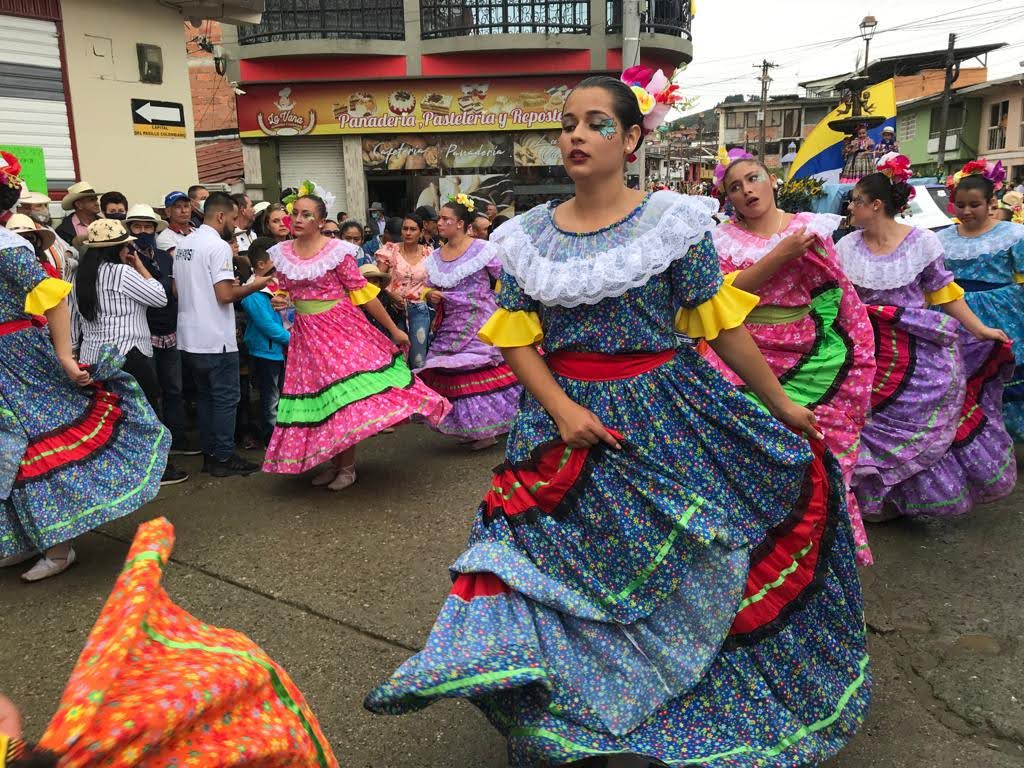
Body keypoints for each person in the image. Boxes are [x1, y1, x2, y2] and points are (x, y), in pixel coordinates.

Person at [366, 72, 869, 766]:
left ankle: (670, 699)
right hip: (558, 431)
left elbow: (716, 323)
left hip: (667, 415)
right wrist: (563, 408)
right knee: (546, 571)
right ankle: (568, 711)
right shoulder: (526, 237)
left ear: (632, 138)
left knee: (686, 565)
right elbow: (514, 335)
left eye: (596, 122)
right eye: (568, 122)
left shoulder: (675, 221)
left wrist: (781, 404)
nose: (575, 134)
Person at [0, 151, 169, 582]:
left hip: (19, 359)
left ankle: (58, 548)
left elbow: (53, 297)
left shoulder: (9, 247)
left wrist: (62, 356)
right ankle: (30, 540)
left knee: (32, 451)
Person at [709, 151, 876, 565]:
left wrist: (856, 346)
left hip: (809, 353)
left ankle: (817, 551)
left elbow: (837, 291)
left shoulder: (809, 228)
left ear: (771, 180)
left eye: (753, 178)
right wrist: (779, 256)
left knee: (816, 449)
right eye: (735, 186)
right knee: (746, 453)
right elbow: (723, 297)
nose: (747, 189)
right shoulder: (721, 239)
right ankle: (758, 558)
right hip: (741, 354)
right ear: (728, 198)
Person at [836, 164, 1015, 519]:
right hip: (865, 347)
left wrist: (980, 330)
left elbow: (944, 292)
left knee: (918, 423)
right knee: (869, 423)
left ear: (876, 205)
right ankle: (877, 500)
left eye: (856, 201)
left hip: (917, 347)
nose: (850, 208)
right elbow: (838, 298)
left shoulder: (921, 242)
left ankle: (910, 499)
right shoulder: (846, 246)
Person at [262, 194, 449, 490]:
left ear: (321, 222)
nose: (298, 219)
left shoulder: (336, 251)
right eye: (295, 213)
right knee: (321, 400)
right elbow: (285, 289)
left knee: (342, 398)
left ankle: (346, 468)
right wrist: (282, 299)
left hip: (338, 330)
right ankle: (333, 461)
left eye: (306, 214)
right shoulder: (283, 252)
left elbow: (363, 293)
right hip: (305, 336)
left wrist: (394, 330)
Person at [69, 218, 189, 486]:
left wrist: (75, 354)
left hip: (94, 354)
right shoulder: (122, 273)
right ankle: (158, 468)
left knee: (107, 416)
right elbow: (159, 297)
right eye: (127, 246)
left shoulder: (80, 275)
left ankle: (116, 469)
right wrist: (141, 267)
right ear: (118, 249)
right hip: (129, 353)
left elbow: (74, 318)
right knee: (144, 412)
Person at [174, 192, 273, 477]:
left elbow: (177, 290)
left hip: (190, 335)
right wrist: (257, 284)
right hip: (215, 336)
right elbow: (225, 294)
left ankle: (212, 454)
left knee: (206, 398)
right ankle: (224, 456)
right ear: (220, 216)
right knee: (226, 399)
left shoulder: (185, 244)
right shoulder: (216, 246)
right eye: (232, 218)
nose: (233, 223)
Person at [416, 196, 521, 450]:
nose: (439, 223)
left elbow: (506, 279)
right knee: (451, 374)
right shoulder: (436, 256)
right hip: (450, 327)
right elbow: (427, 288)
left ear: (461, 223)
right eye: (439, 219)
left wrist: (506, 308)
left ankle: (488, 430)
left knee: (479, 371)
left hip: (481, 324)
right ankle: (473, 428)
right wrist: (429, 294)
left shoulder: (483, 250)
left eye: (445, 219)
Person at [937, 159, 1024, 449]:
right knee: (959, 378)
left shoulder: (1012, 235)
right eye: (960, 205)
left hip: (1002, 312)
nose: (966, 211)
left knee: (1004, 376)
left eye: (974, 204)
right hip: (953, 311)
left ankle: (1006, 441)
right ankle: (970, 443)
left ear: (991, 203)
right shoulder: (942, 239)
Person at [124, 203, 197, 457]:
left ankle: (178, 438)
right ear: (130, 229)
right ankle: (156, 445)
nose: (143, 231)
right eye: (137, 226)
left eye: (147, 226)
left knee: (174, 389)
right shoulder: (128, 258)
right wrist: (159, 286)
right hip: (145, 332)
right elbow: (151, 291)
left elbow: (173, 288)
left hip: (170, 329)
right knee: (150, 391)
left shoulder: (164, 257)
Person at [241, 237, 290, 445]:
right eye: (275, 258)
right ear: (261, 264)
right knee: (271, 398)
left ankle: (280, 435)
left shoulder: (273, 286)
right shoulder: (252, 291)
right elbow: (267, 326)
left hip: (277, 350)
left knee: (279, 394)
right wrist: (293, 339)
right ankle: (272, 438)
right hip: (266, 352)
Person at [375, 213, 433, 368]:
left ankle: (418, 391)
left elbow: (433, 283)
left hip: (419, 309)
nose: (408, 233)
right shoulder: (390, 250)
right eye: (405, 229)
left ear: (421, 232)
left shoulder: (429, 254)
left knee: (418, 359)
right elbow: (376, 281)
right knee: (394, 357)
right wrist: (389, 294)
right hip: (392, 309)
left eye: (413, 229)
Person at [17, 189, 77, 279]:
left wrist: (67, 256)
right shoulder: (21, 232)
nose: (44, 209)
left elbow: (73, 251)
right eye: (39, 206)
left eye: (45, 205)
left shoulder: (48, 229)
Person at [157, 191, 194, 255]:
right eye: (178, 207)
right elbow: (182, 259)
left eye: (186, 206)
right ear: (168, 212)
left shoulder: (197, 231)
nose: (184, 211)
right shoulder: (165, 237)